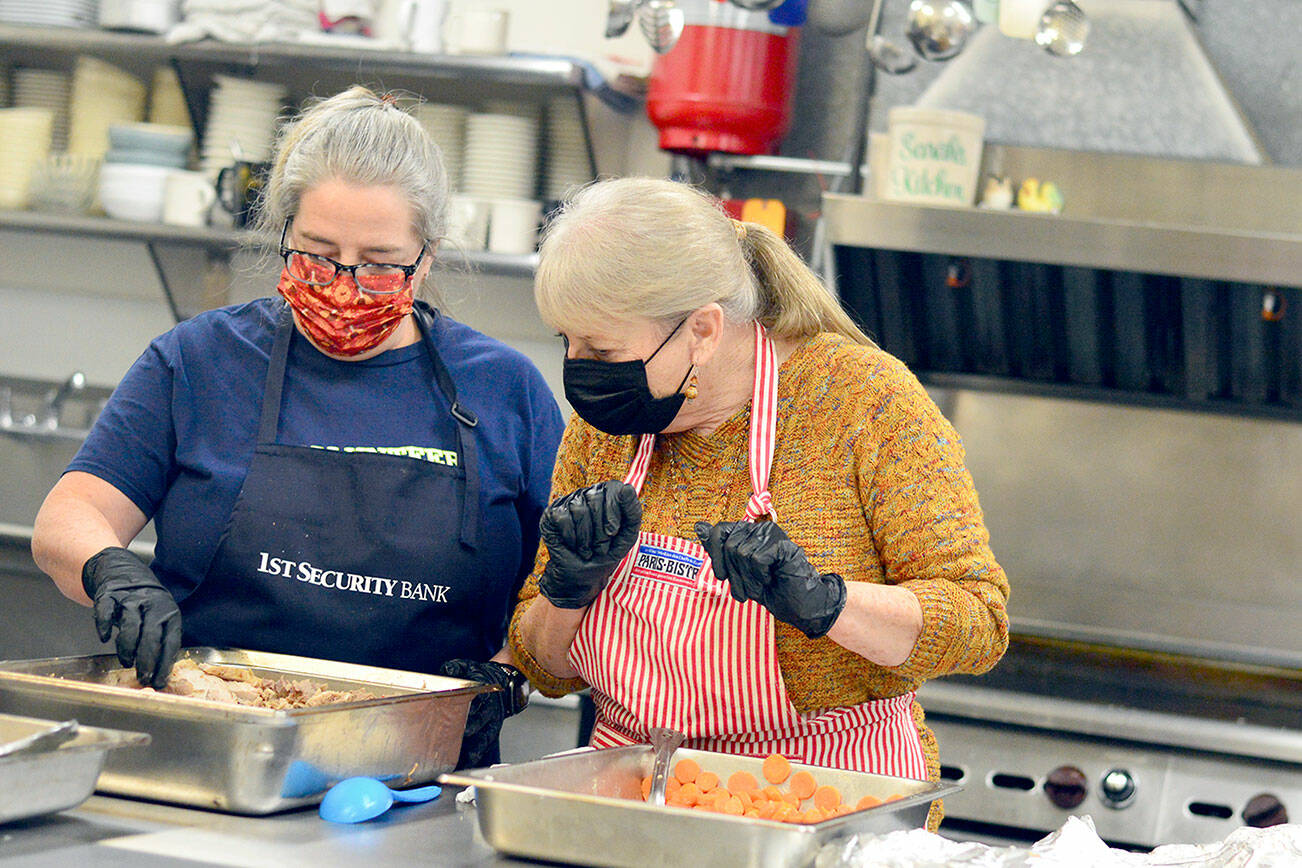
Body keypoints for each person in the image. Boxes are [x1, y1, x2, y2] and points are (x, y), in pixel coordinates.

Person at [31, 86, 563, 768]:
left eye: (378, 263)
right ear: (283, 235)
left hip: (423, 766)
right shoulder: (199, 360)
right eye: (317, 253)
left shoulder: (505, 389)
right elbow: (69, 515)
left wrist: (507, 669)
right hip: (209, 748)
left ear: (426, 257)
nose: (344, 284)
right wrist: (109, 570)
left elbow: (566, 584)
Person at [509, 177, 1009, 829]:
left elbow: (980, 623)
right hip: (640, 815)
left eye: (602, 350)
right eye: (567, 344)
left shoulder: (863, 404)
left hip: (826, 813)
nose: (580, 371)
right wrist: (565, 590)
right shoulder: (604, 433)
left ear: (704, 330)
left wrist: (827, 603)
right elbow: (543, 669)